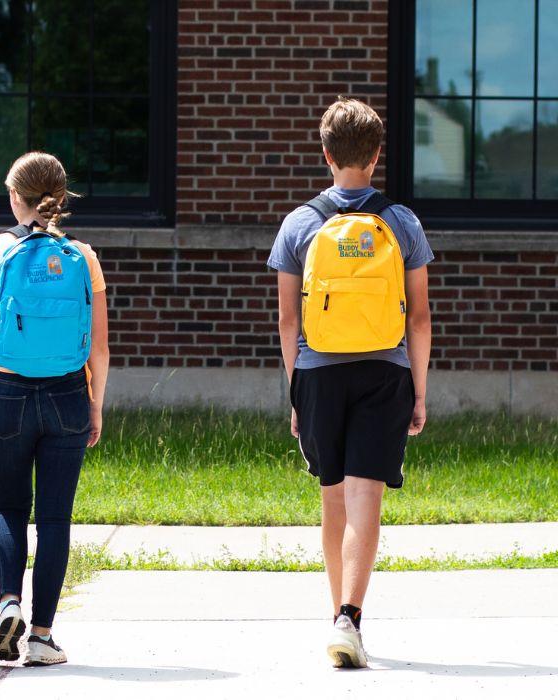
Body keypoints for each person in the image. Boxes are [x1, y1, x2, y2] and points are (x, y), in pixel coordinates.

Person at [269, 98, 432, 670]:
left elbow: (289, 320)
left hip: (318, 373)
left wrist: (296, 390)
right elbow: (418, 317)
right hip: (385, 371)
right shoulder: (401, 222)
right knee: (367, 498)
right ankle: (350, 618)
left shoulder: (300, 224)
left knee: (332, 497)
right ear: (377, 154)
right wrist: (419, 388)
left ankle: (337, 618)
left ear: (326, 153)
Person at [0, 151, 110, 668]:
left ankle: (8, 603)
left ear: (14, 197)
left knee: (9, 509)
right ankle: (42, 637)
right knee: (55, 519)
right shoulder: (83, 256)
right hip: (68, 392)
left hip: (7, 391)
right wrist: (96, 404)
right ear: (61, 198)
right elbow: (101, 349)